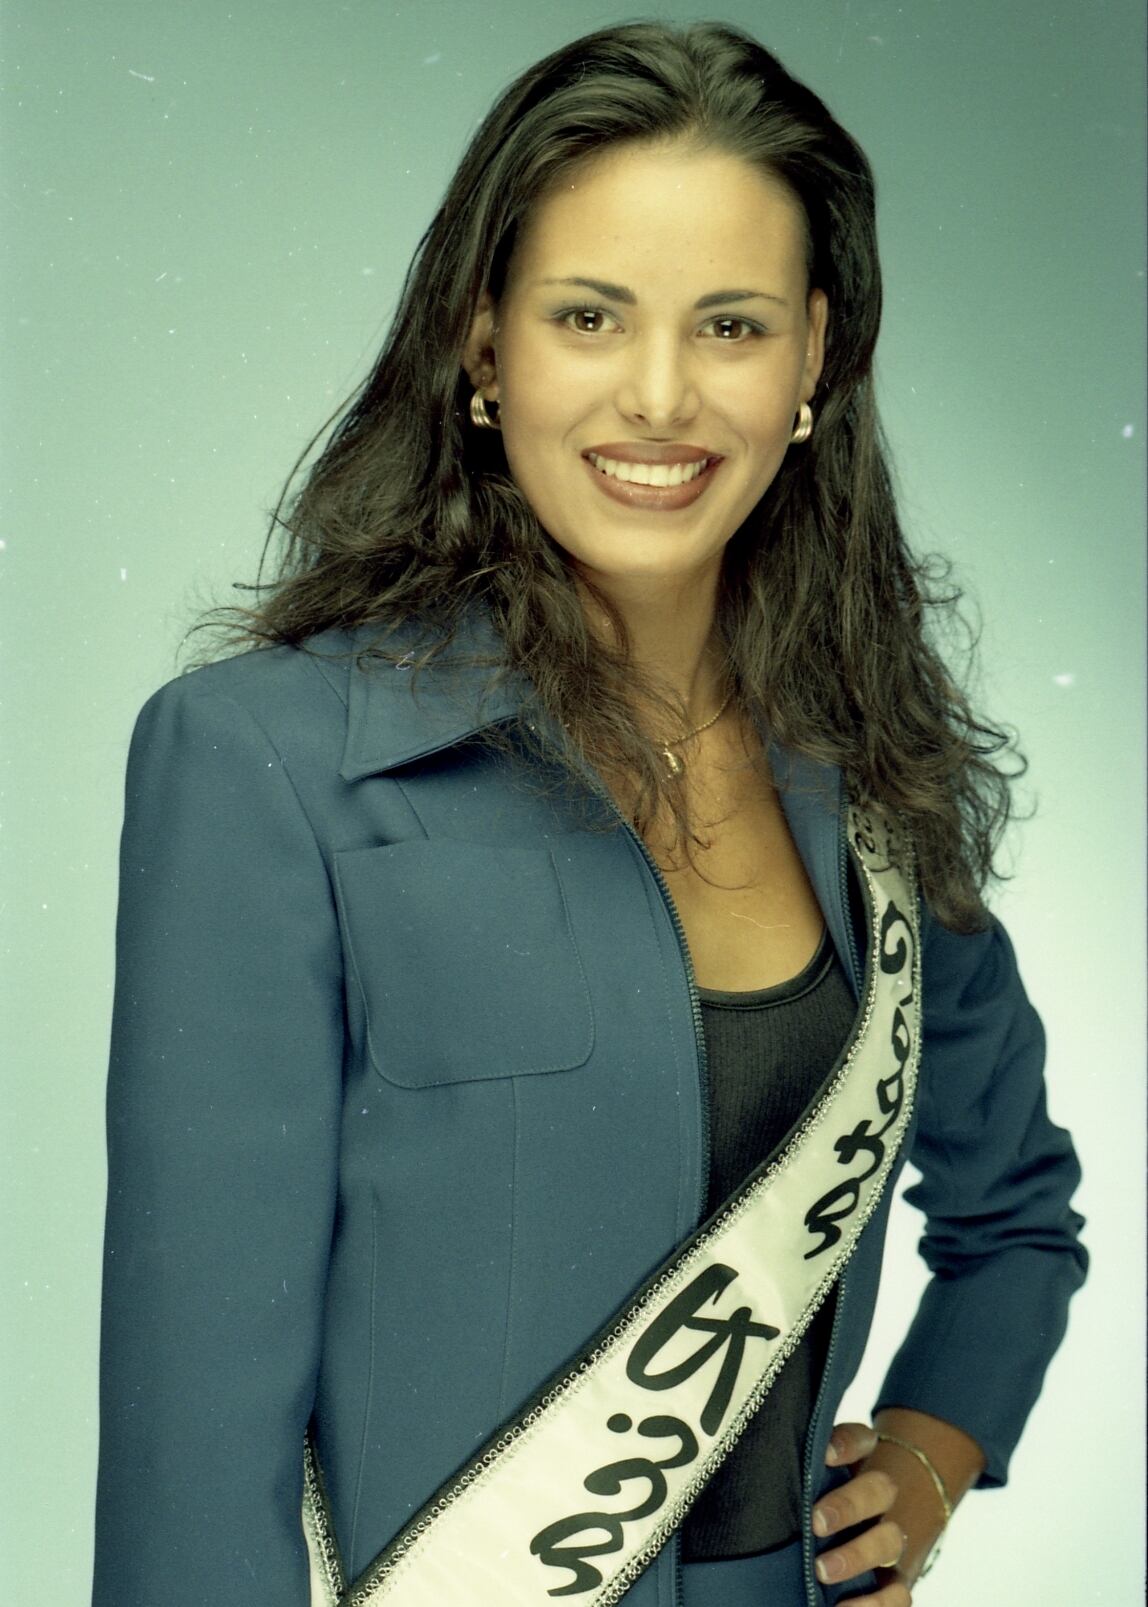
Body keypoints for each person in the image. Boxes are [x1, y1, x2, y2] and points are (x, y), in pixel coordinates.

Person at [92, 19, 1087, 1607]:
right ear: (485, 347)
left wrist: (932, 1448)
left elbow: (1017, 1208)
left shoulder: (870, 775)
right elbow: (191, 1440)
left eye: (734, 326)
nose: (660, 396)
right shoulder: (265, 760)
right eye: (589, 316)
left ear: (816, 357)